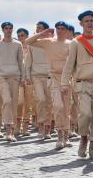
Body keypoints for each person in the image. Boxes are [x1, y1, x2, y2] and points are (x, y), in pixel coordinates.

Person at [61, 10, 93, 159]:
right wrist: (64, 83)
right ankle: (83, 139)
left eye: (91, 20)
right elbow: (69, 65)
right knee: (85, 113)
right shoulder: (76, 42)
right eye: (87, 21)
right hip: (82, 84)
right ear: (81, 24)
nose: (90, 23)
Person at [25, 21, 72, 149]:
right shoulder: (49, 42)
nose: (60, 30)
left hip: (67, 79)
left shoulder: (72, 44)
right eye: (58, 28)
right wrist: (42, 33)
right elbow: (28, 42)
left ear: (67, 31)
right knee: (58, 105)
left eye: (63, 28)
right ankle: (59, 134)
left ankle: (66, 135)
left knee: (66, 108)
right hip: (54, 78)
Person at [0, 22, 25, 142]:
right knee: (7, 101)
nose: (8, 30)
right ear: (2, 30)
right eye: (6, 28)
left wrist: (23, 78)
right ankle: (8, 131)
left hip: (15, 76)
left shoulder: (18, 44)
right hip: (2, 77)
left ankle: (13, 129)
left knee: (14, 104)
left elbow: (21, 62)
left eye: (10, 28)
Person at [25, 21, 52, 139]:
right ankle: (40, 125)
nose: (37, 30)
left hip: (50, 76)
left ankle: (47, 128)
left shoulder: (52, 42)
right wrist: (27, 76)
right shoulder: (32, 44)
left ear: (46, 30)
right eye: (36, 28)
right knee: (40, 100)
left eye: (40, 28)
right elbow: (28, 62)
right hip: (36, 76)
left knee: (49, 102)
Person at [16, 28, 35, 136]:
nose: (20, 38)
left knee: (28, 103)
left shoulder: (32, 47)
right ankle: (17, 126)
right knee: (19, 102)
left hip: (30, 79)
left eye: (22, 35)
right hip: (18, 79)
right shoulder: (15, 47)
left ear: (27, 36)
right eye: (18, 36)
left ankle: (25, 127)